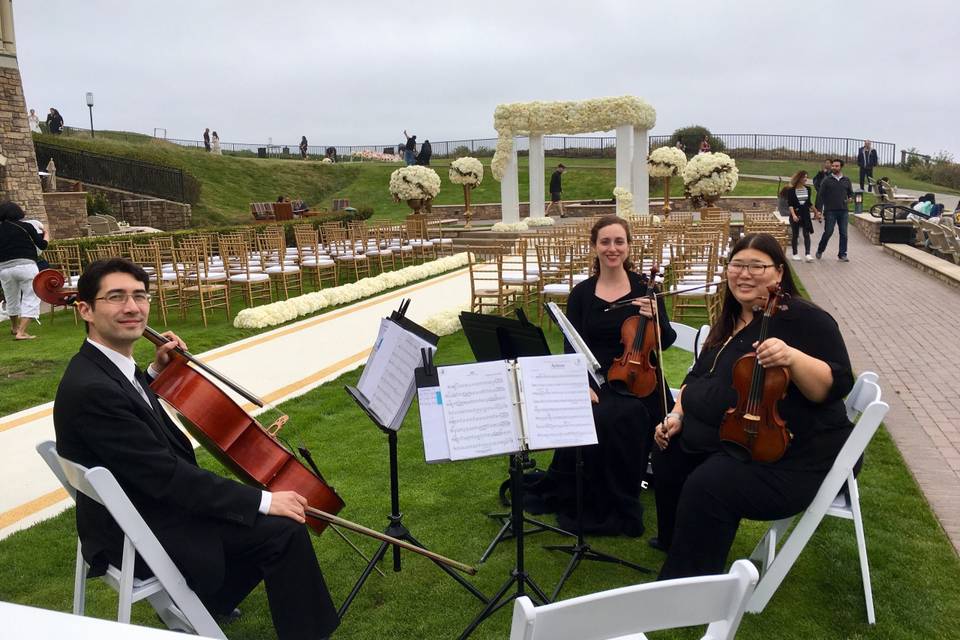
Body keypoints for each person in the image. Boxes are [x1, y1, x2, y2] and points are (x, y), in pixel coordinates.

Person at [53, 258, 340, 640]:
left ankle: (212, 601)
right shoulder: (94, 391)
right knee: (281, 530)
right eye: (116, 297)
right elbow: (167, 478)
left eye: (140, 296)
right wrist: (264, 501)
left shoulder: (101, 369)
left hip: (133, 515)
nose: (132, 308)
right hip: (142, 533)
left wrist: (154, 374)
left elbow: (132, 413)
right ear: (85, 309)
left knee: (247, 516)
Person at [649, 233, 855, 578]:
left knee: (710, 483)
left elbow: (834, 386)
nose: (744, 274)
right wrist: (677, 413)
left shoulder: (803, 319)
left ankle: (689, 583)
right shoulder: (731, 319)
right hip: (740, 438)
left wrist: (792, 357)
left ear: (778, 273)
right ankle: (676, 541)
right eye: (737, 265)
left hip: (792, 456)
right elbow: (695, 376)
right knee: (669, 451)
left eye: (756, 266)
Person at [526, 216, 676, 536]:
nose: (612, 248)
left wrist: (656, 320)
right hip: (595, 377)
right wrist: (580, 383)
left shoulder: (646, 290)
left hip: (642, 380)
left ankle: (622, 495)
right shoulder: (582, 293)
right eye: (605, 242)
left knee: (624, 415)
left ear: (629, 246)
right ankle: (592, 492)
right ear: (594, 246)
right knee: (597, 413)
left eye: (619, 241)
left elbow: (668, 341)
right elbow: (571, 344)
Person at [0, 201, 48, 340]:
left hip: (4, 269)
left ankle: (14, 327)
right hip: (26, 266)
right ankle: (21, 332)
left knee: (11, 298)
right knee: (31, 296)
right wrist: (46, 234)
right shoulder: (26, 226)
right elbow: (42, 245)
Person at [814, 159, 854, 262]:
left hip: (843, 211)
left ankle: (842, 254)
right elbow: (821, 195)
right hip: (830, 211)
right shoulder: (827, 180)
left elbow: (851, 194)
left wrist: (850, 199)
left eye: (836, 166)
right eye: (833, 166)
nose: (834, 168)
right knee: (828, 232)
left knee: (844, 233)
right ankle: (820, 249)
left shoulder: (846, 180)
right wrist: (819, 211)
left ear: (841, 167)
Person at [783, 170, 821, 262]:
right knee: (795, 235)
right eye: (804, 177)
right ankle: (795, 254)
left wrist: (816, 212)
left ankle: (808, 254)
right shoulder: (791, 190)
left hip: (805, 215)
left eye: (806, 177)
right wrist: (793, 215)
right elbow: (790, 204)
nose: (805, 179)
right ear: (799, 178)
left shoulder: (808, 189)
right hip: (795, 214)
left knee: (806, 234)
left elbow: (808, 203)